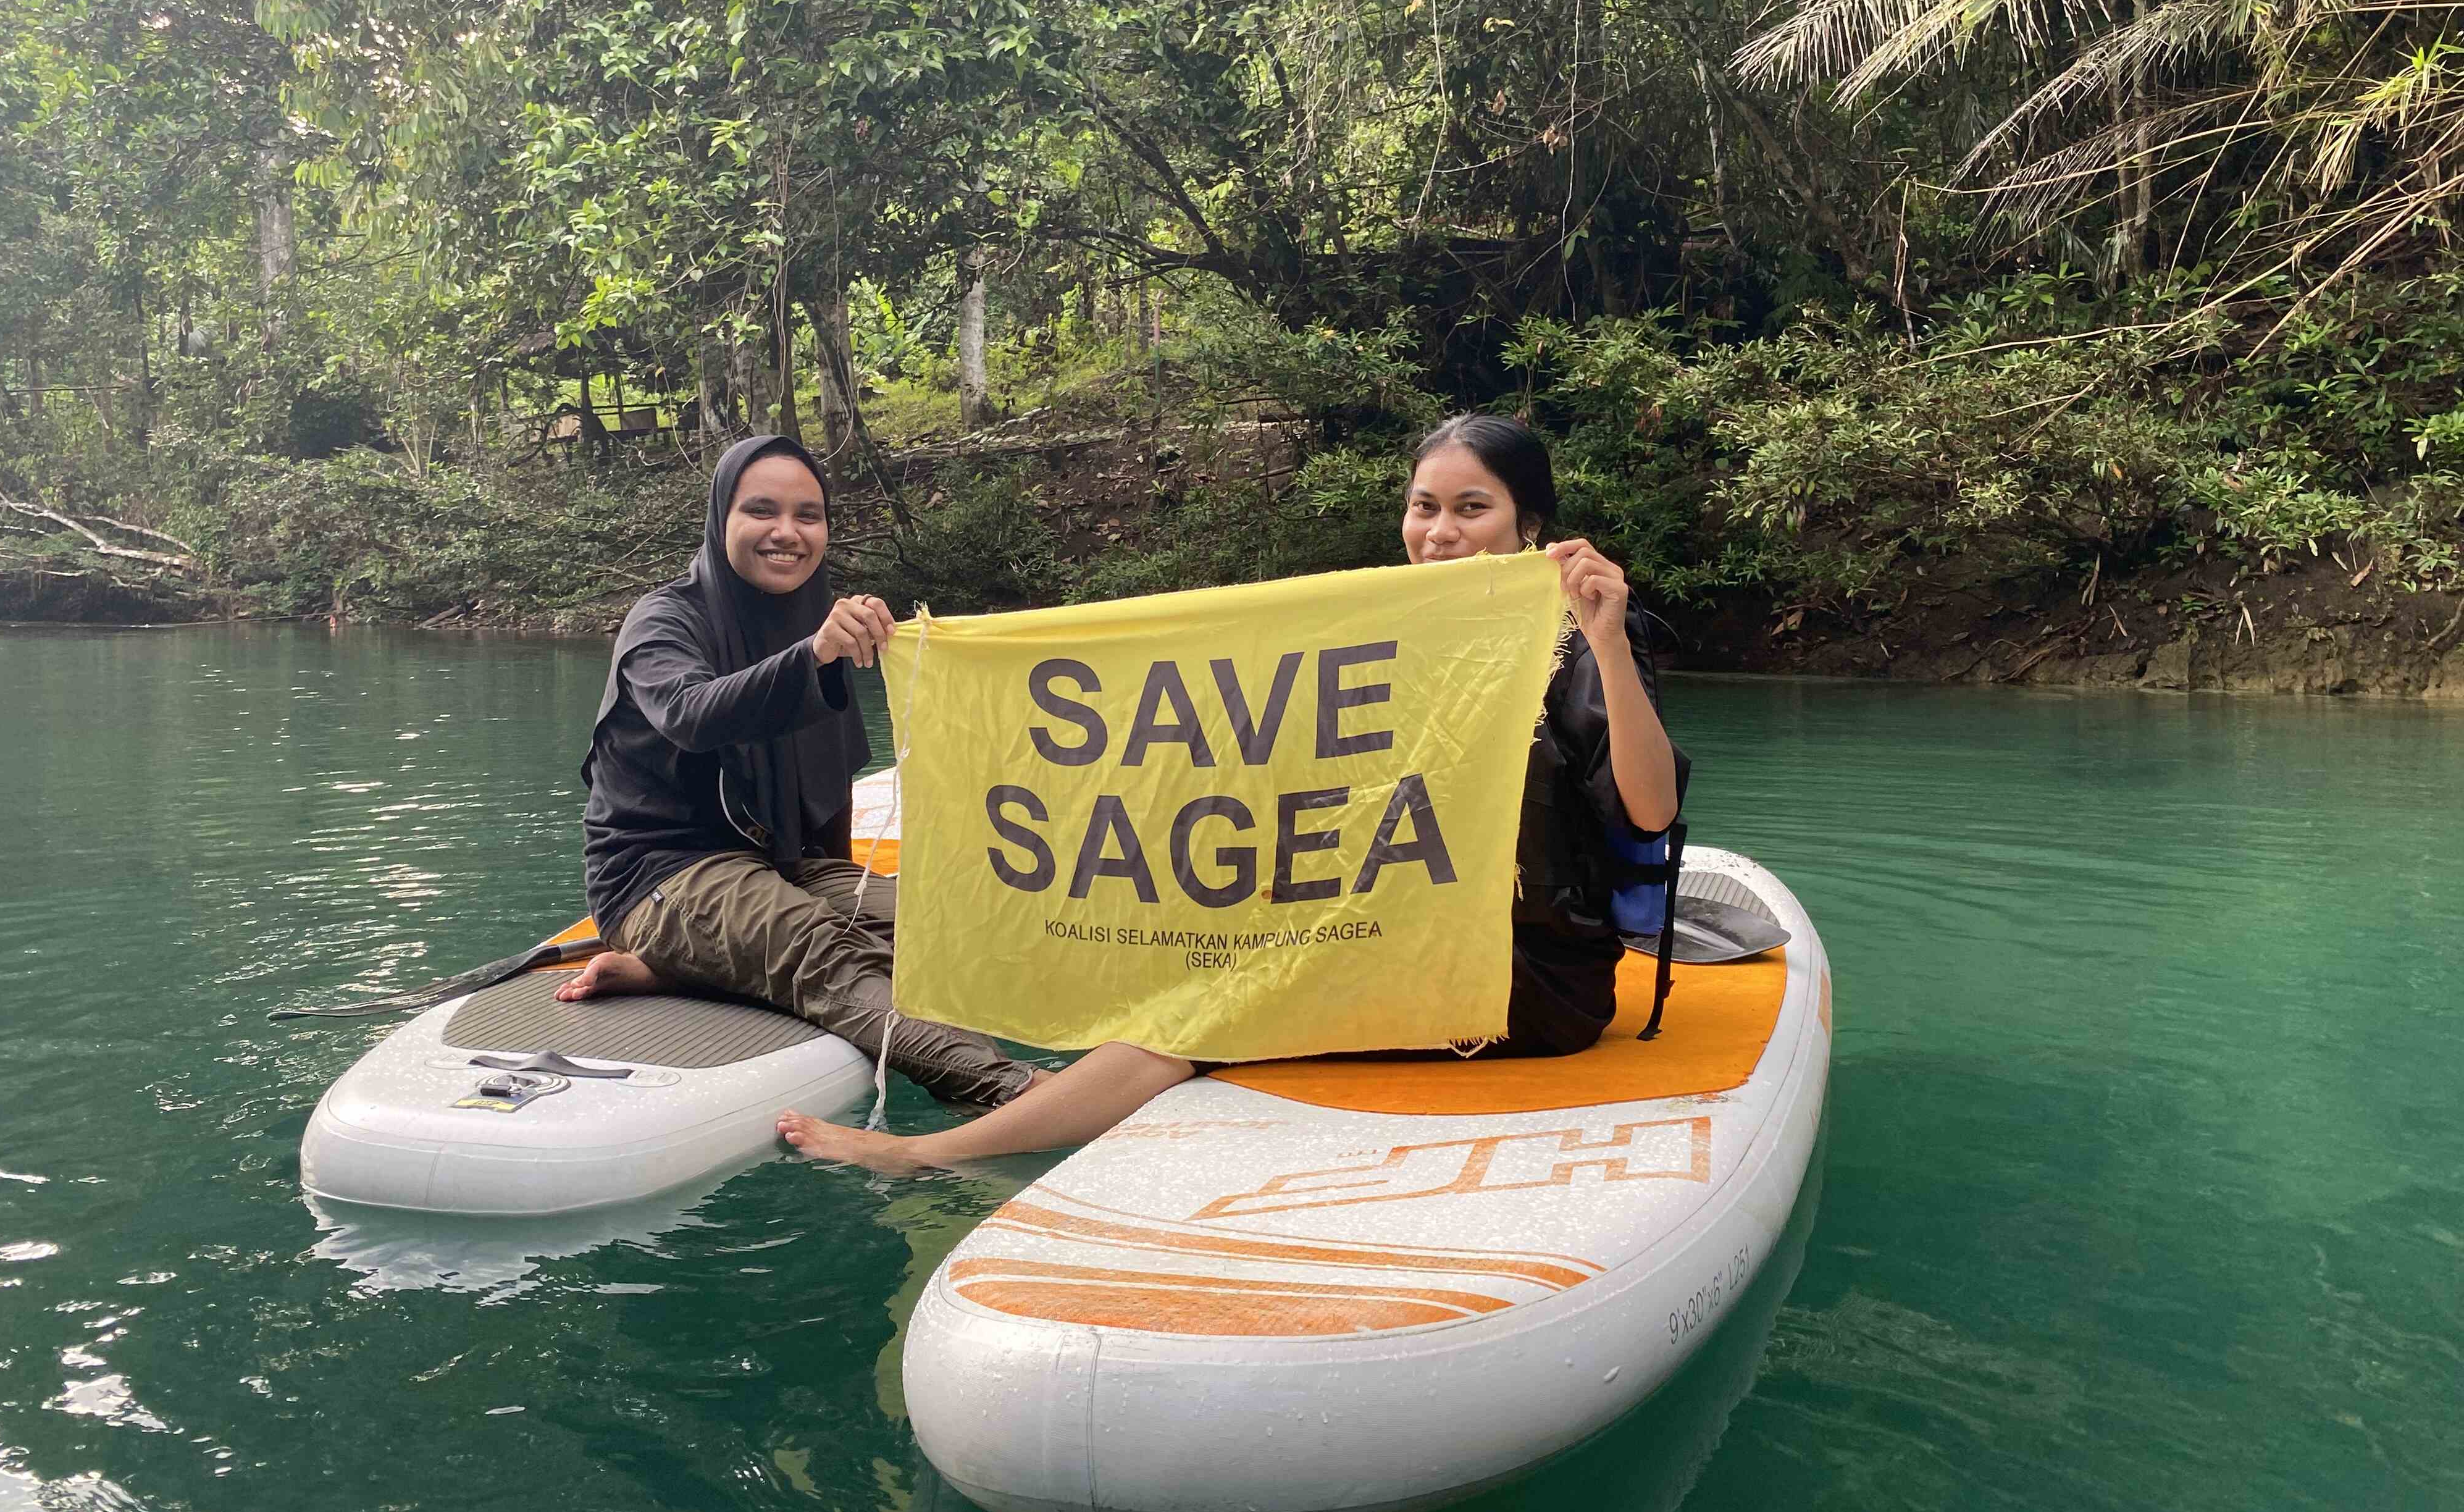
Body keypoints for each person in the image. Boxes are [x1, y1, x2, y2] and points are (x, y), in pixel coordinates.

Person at [778, 413, 1685, 1173]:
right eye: (1424, 507)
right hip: (1397, 932)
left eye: (1471, 509)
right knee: (1199, 950)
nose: (1440, 532)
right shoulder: (1378, 632)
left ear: (1529, 525)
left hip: (1521, 976)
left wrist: (1607, 643)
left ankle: (932, 1156)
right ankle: (1062, 1095)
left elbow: (1651, 811)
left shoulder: (1580, 631)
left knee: (1210, 1004)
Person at [564, 434, 1039, 1112]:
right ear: (722, 516)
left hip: (783, 863)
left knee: (947, 929)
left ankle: (677, 968)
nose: (787, 532)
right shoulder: (663, 620)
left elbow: (827, 787)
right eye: (762, 511)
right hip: (661, 876)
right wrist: (812, 655)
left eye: (807, 515)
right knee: (822, 948)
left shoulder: (820, 619)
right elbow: (688, 712)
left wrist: (837, 891)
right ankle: (1016, 1095)